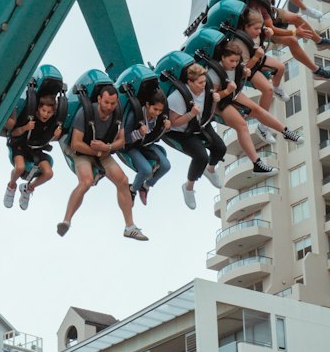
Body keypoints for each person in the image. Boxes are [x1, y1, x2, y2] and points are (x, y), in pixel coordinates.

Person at [57, 83, 148, 241]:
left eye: (112, 103)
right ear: (99, 99)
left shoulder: (117, 114)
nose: (109, 106)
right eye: (106, 102)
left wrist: (107, 147)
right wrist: (98, 151)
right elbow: (76, 143)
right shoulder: (85, 113)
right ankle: (66, 221)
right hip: (82, 151)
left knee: (123, 180)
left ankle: (130, 227)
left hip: (103, 150)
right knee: (86, 181)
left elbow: (121, 141)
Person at [165, 62, 251, 209]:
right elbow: (174, 123)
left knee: (220, 148)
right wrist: (191, 114)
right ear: (189, 82)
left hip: (201, 124)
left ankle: (210, 171)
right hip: (182, 131)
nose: (203, 85)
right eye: (200, 83)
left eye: (204, 81)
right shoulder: (176, 98)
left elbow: (214, 97)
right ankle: (188, 187)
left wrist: (221, 95)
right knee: (201, 157)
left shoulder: (207, 88)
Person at [2, 96, 62, 210]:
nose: (45, 114)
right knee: (20, 168)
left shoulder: (52, 123)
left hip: (35, 148)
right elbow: (13, 133)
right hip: (19, 144)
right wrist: (25, 127)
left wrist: (56, 135)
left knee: (49, 173)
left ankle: (28, 188)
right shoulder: (29, 117)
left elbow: (47, 140)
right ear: (38, 109)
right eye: (43, 110)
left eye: (49, 112)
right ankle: (11, 186)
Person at [122, 89, 171, 206]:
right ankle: (132, 190)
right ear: (148, 105)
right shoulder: (134, 116)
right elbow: (124, 139)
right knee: (146, 169)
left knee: (166, 166)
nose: (157, 113)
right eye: (155, 109)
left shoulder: (159, 117)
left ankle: (145, 186)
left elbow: (156, 136)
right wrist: (138, 133)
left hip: (146, 144)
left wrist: (166, 128)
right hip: (131, 146)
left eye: (160, 110)